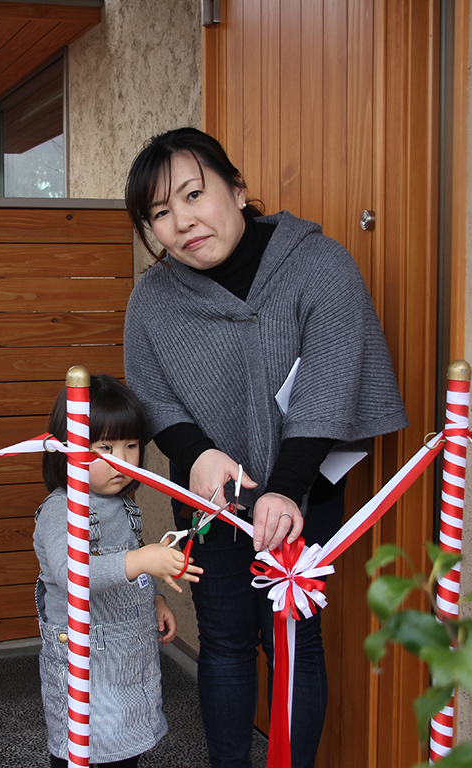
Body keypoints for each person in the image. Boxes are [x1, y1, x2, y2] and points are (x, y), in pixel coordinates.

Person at [122, 128, 408, 768]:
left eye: (194, 195)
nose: (182, 222)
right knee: (223, 640)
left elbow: (332, 381)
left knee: (293, 639)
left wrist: (285, 486)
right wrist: (196, 454)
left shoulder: (319, 264)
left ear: (238, 189)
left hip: (306, 480)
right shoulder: (153, 299)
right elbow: (153, 393)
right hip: (210, 492)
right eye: (160, 214)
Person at [33, 374, 203, 768]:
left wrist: (154, 597)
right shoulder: (62, 510)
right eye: (104, 448)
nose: (122, 461)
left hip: (128, 661)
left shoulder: (123, 507)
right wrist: (140, 560)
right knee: (86, 750)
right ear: (66, 449)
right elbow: (72, 574)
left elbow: (126, 572)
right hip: (84, 665)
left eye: (131, 446)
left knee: (125, 752)